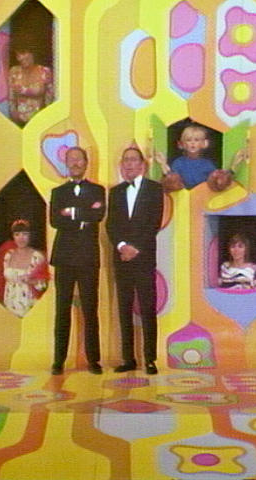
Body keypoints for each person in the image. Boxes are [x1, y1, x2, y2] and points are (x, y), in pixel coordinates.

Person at [107, 147, 164, 374]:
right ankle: (128, 358)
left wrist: (136, 248)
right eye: (125, 160)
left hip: (144, 258)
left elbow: (154, 223)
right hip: (122, 258)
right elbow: (111, 225)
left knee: (148, 307)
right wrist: (122, 246)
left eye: (133, 160)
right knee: (124, 308)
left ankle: (149, 359)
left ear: (142, 164)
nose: (129, 164)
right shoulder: (116, 192)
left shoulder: (154, 189)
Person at [49, 147, 105, 375]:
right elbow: (55, 220)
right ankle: (58, 360)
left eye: (79, 159)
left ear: (86, 162)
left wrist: (70, 213)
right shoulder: (58, 192)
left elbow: (98, 215)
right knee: (62, 310)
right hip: (64, 257)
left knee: (90, 310)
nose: (75, 163)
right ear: (66, 163)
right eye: (71, 160)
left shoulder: (98, 190)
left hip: (88, 257)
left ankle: (94, 360)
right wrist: (82, 215)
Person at [154, 124, 244, 191]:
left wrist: (233, 166)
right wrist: (163, 164)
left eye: (196, 140)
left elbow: (217, 180)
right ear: (181, 144)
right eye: (188, 140)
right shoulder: (178, 163)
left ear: (204, 144)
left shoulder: (207, 164)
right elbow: (172, 181)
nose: (192, 143)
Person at [3, 219, 49, 317]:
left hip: (30, 307)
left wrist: (30, 281)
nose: (21, 238)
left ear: (30, 235)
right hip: (9, 307)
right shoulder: (8, 255)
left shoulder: (37, 256)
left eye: (25, 234)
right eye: (17, 234)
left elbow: (43, 285)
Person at [8, 49, 54, 126]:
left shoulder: (45, 71)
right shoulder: (14, 71)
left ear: (32, 53)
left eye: (23, 53)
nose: (20, 58)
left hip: (40, 120)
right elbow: (10, 97)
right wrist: (14, 115)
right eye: (18, 55)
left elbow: (50, 97)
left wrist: (46, 118)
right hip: (18, 122)